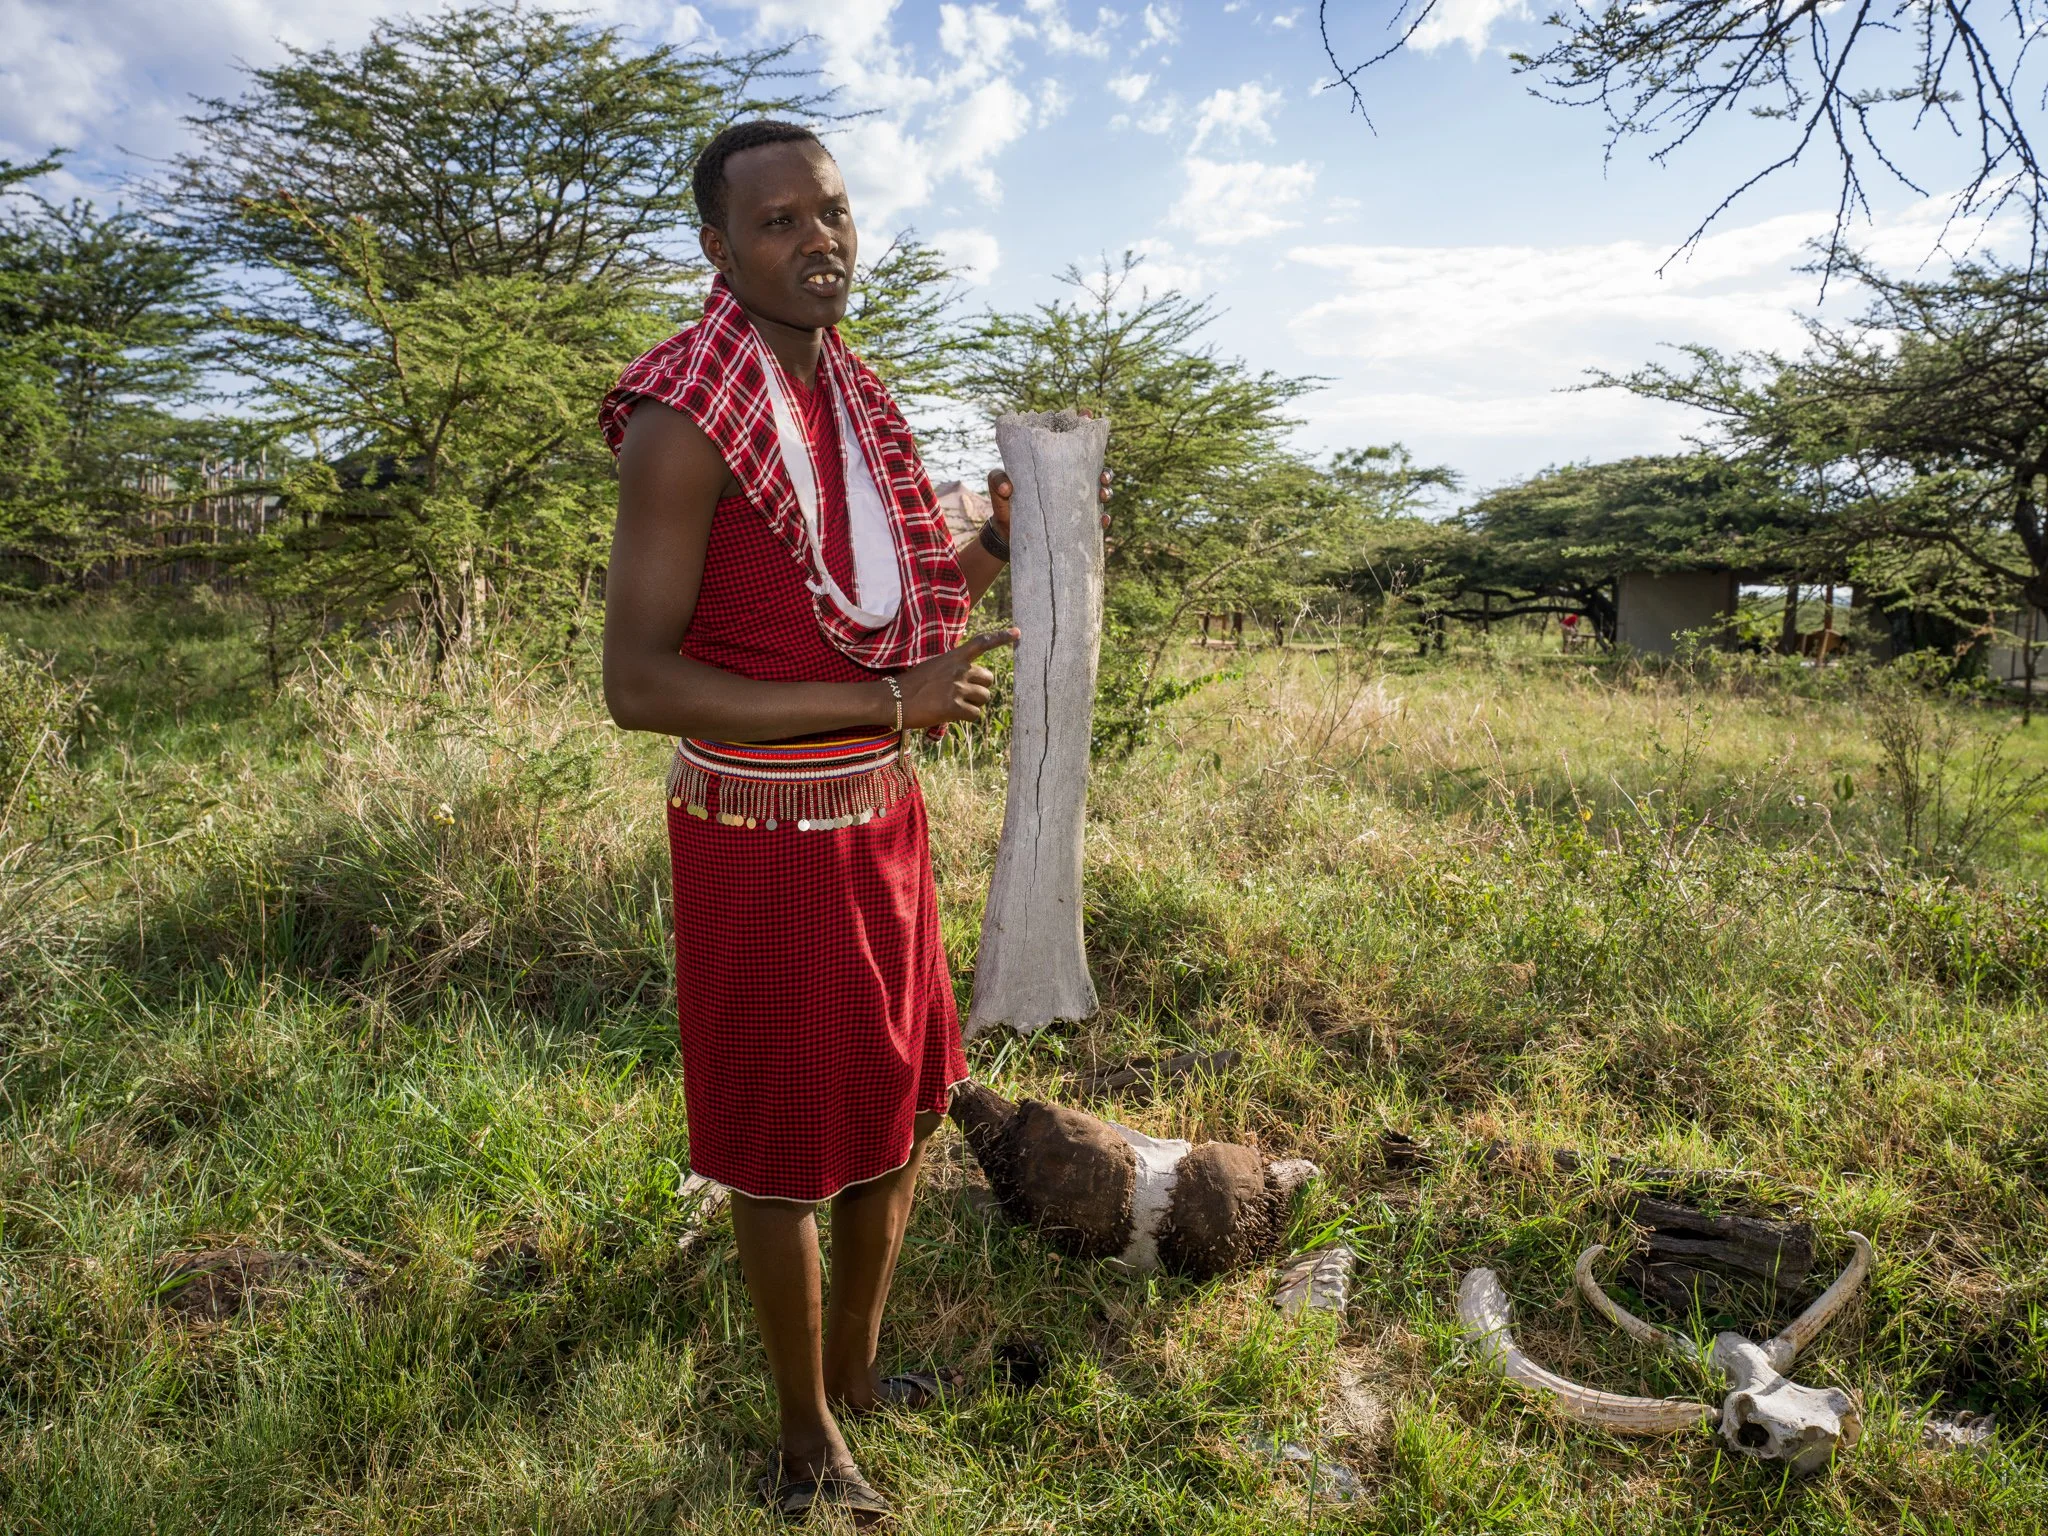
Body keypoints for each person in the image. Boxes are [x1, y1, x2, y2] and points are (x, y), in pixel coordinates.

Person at [598, 120, 1108, 1524]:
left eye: (831, 211)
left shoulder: (852, 396)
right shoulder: (682, 415)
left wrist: (1002, 540)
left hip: (877, 820)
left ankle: (868, 1375)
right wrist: (890, 702)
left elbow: (872, 593)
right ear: (717, 249)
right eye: (776, 223)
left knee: (892, 1112)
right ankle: (805, 1436)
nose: (817, 239)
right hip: (757, 833)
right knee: (780, 1145)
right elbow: (637, 683)